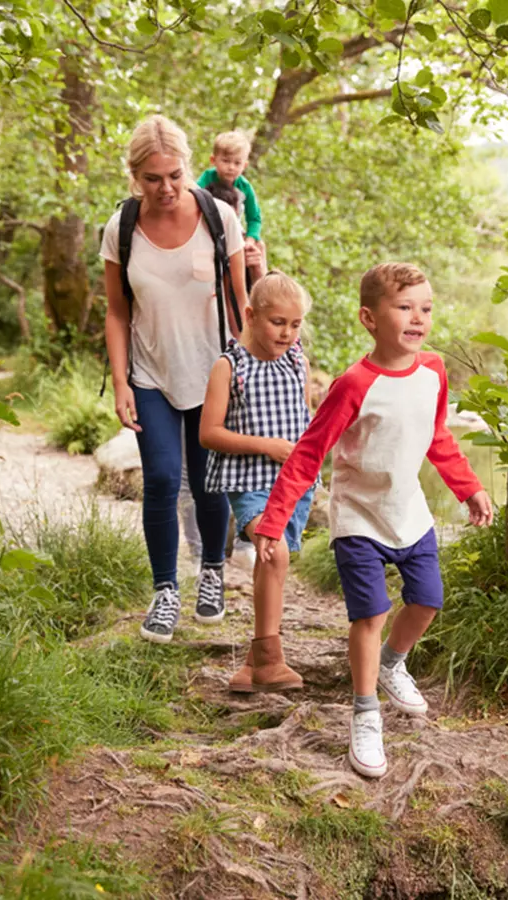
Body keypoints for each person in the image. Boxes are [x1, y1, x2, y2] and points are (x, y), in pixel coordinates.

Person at [251, 262, 493, 778]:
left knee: (428, 600)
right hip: (359, 517)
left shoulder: (433, 372)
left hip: (409, 512)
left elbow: (437, 437)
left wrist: (468, 488)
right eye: (404, 307)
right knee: (370, 614)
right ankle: (365, 714)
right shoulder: (354, 384)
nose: (417, 318)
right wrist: (273, 523)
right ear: (369, 317)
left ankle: (390, 664)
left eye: (425, 308)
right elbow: (307, 455)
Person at [101, 114, 248, 643]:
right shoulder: (120, 228)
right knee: (162, 478)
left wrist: (249, 369)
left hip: (213, 372)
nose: (165, 188)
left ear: (190, 168)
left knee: (210, 482)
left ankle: (212, 571)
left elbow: (241, 302)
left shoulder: (219, 217)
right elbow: (117, 312)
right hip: (150, 373)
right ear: (134, 177)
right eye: (152, 178)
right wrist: (121, 383)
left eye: (175, 175)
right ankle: (165, 591)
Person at [199, 272, 316, 692]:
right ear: (251, 315)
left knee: (275, 560)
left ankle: (251, 667)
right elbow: (208, 433)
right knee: (274, 553)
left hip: (292, 484)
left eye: (295, 324)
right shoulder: (229, 367)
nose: (287, 333)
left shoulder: (296, 362)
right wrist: (266, 446)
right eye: (277, 322)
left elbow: (303, 420)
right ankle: (271, 659)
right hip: (249, 479)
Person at [196, 131, 263, 260]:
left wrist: (250, 239)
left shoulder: (245, 187)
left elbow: (254, 218)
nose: (231, 167)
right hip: (207, 230)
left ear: (244, 165)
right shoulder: (205, 180)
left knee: (257, 250)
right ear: (213, 160)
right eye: (226, 161)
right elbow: (192, 197)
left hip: (234, 231)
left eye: (237, 163)